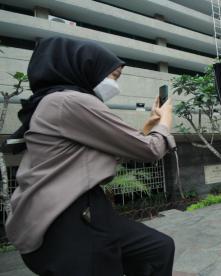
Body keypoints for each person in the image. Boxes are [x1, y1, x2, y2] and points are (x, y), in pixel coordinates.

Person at [4, 37, 175, 275]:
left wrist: (149, 126)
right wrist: (166, 121)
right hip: (65, 219)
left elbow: (115, 149)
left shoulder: (55, 102)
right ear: (82, 69)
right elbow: (150, 150)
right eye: (111, 76)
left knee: (158, 249)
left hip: (84, 208)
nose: (113, 85)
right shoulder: (70, 102)